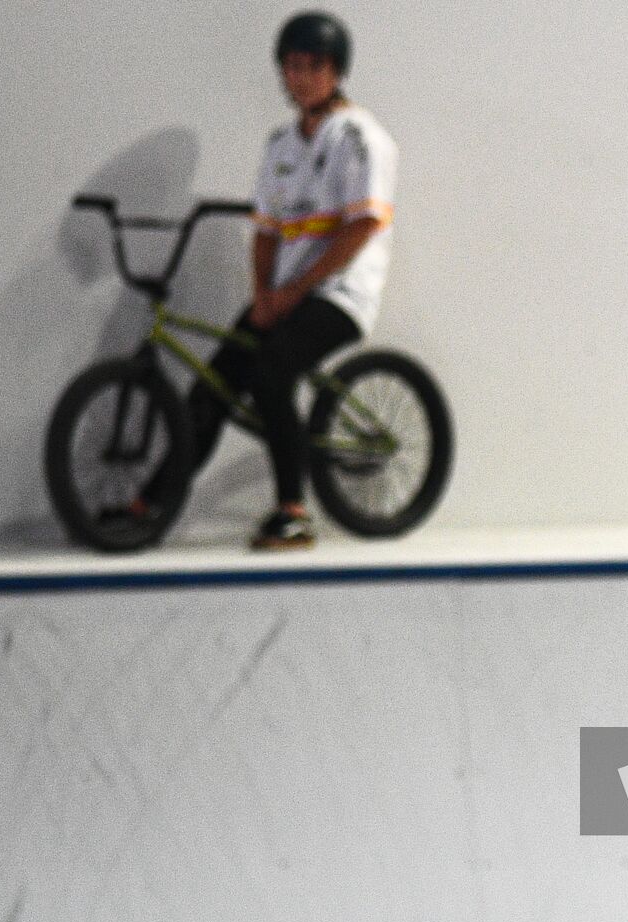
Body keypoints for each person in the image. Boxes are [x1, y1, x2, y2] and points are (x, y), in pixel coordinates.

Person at [141, 10, 397, 549]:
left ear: (337, 71)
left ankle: (293, 512)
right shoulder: (280, 146)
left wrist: (290, 293)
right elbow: (266, 232)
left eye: (314, 66)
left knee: (269, 370)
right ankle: (152, 502)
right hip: (285, 296)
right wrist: (263, 296)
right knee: (211, 386)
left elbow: (363, 227)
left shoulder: (360, 138)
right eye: (292, 66)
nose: (301, 77)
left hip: (340, 297)